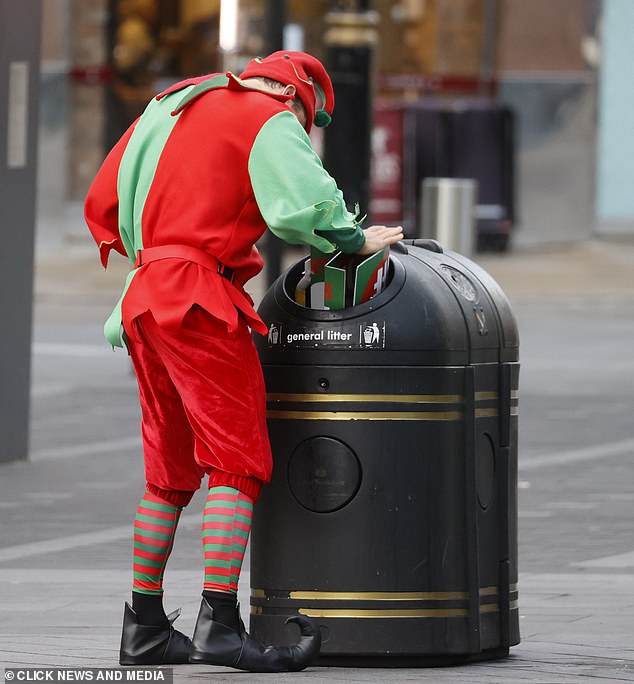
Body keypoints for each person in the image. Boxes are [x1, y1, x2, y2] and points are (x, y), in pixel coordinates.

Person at [84, 50, 403, 673]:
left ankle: (144, 627)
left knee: (168, 471)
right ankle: (220, 623)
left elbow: (104, 199)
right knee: (236, 460)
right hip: (202, 301)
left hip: (144, 298)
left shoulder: (168, 104)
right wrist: (351, 236)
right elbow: (300, 204)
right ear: (300, 97)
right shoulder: (268, 114)